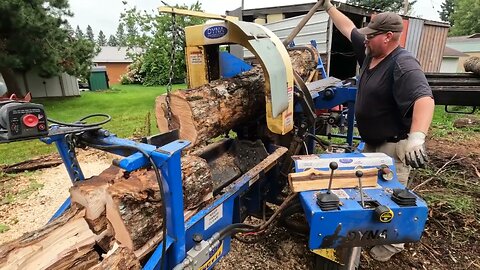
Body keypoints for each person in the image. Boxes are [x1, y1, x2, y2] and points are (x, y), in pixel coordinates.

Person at [318, 0, 435, 262]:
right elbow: (348, 29)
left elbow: (424, 99)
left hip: (391, 148)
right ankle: (367, 235)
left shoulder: (403, 64)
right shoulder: (372, 52)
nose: (366, 40)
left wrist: (417, 137)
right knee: (368, 196)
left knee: (392, 198)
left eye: (371, 36)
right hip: (370, 143)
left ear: (389, 36)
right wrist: (329, 8)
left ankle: (391, 248)